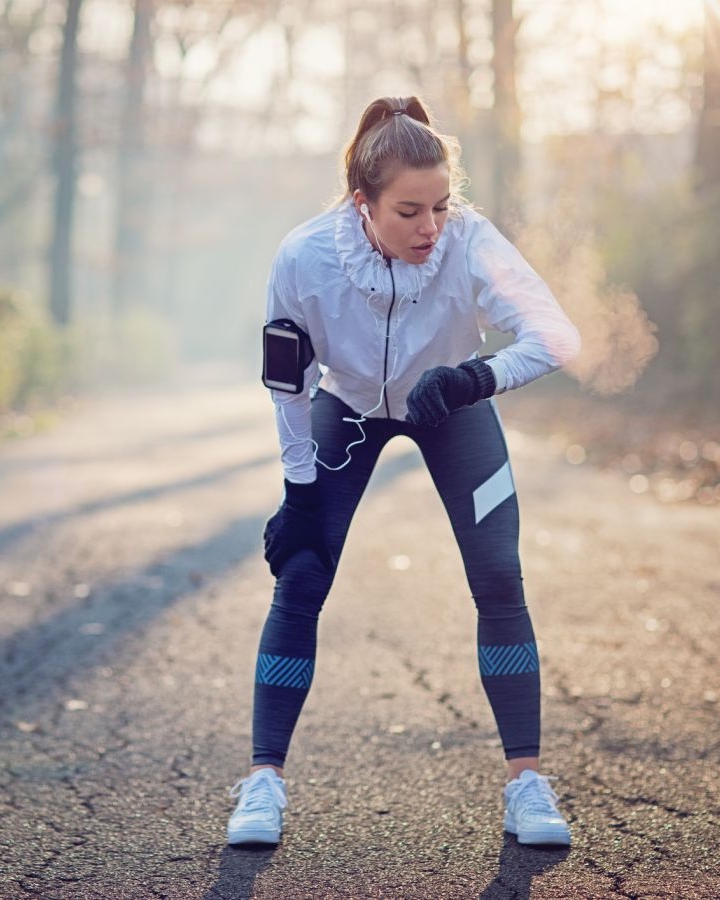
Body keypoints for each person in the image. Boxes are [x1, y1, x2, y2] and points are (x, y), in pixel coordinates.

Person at [227, 96, 581, 848]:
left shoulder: (470, 241)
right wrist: (298, 492)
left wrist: (475, 379)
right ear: (364, 205)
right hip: (347, 407)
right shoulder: (304, 257)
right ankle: (263, 783)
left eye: (442, 207)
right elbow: (289, 387)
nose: (431, 228)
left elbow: (557, 334)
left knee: (498, 576)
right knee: (301, 573)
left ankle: (527, 783)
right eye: (410, 211)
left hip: (451, 403)